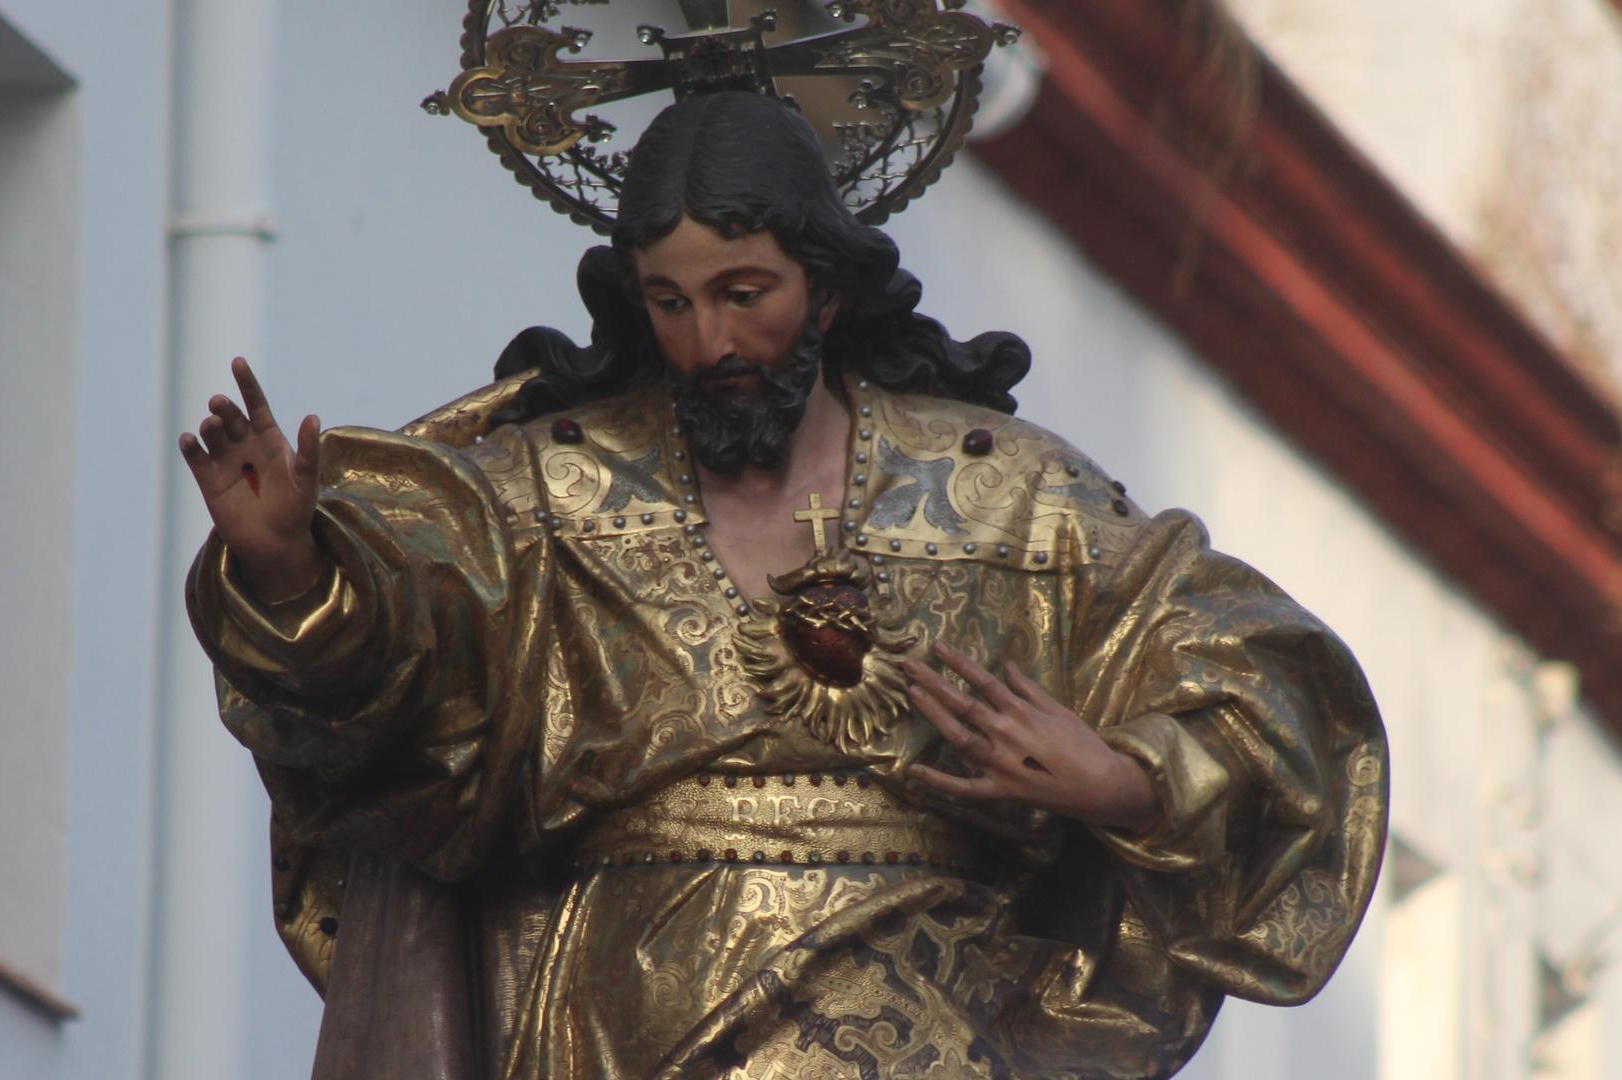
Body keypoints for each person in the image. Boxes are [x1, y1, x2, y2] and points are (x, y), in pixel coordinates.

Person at [181, 92, 1386, 1079]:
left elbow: (1267, 677)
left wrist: (1127, 777)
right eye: (671, 302)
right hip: (615, 1023)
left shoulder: (1011, 501)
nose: (710, 343)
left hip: (943, 1031)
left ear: (827, 287)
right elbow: (402, 694)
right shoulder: (540, 501)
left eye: (742, 294)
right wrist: (292, 572)